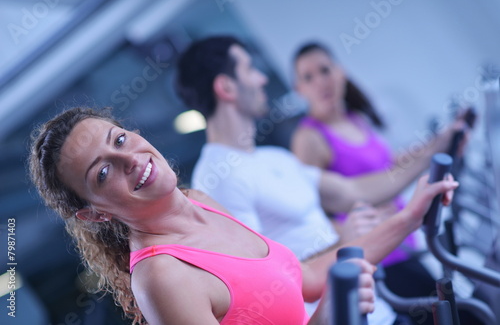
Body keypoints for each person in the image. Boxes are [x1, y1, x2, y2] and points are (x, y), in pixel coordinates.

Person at [175, 35, 463, 324]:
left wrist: (439, 149)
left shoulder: (274, 158)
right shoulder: (217, 179)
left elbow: (353, 191)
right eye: (250, 69)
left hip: (376, 312)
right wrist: (343, 240)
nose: (262, 79)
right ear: (226, 87)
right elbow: (259, 282)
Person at [29, 107, 383, 325]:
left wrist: (413, 214)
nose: (130, 160)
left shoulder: (198, 200)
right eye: (102, 174)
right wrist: (329, 314)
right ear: (93, 214)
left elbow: (304, 276)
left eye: (119, 140)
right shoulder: (162, 278)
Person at [290, 42, 470, 324]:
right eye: (307, 77)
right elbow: (311, 208)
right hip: (379, 257)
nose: (319, 82)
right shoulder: (309, 138)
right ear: (298, 89)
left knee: (457, 312)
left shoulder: (356, 118)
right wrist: (347, 231)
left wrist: (441, 142)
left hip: (406, 243)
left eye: (325, 70)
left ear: (340, 73)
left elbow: (391, 167)